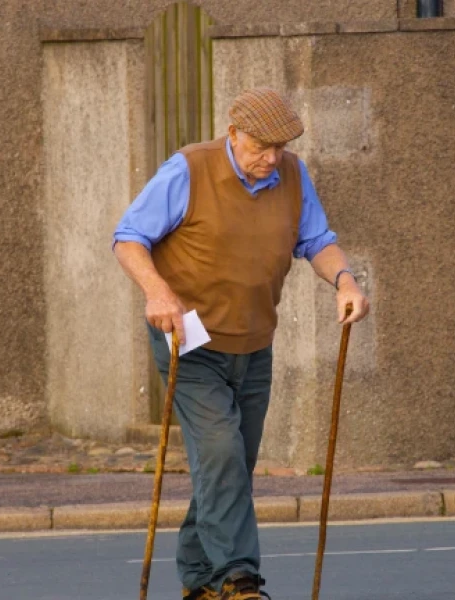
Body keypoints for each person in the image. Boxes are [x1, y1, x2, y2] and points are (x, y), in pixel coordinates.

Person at [113, 87, 370, 600]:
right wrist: (157, 291)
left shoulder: (293, 176)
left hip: (254, 342)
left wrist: (344, 280)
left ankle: (199, 578)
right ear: (233, 134)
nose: (271, 157)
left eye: (280, 146)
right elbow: (129, 237)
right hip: (189, 340)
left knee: (231, 464)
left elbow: (317, 241)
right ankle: (239, 580)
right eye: (261, 146)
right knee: (223, 454)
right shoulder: (189, 170)